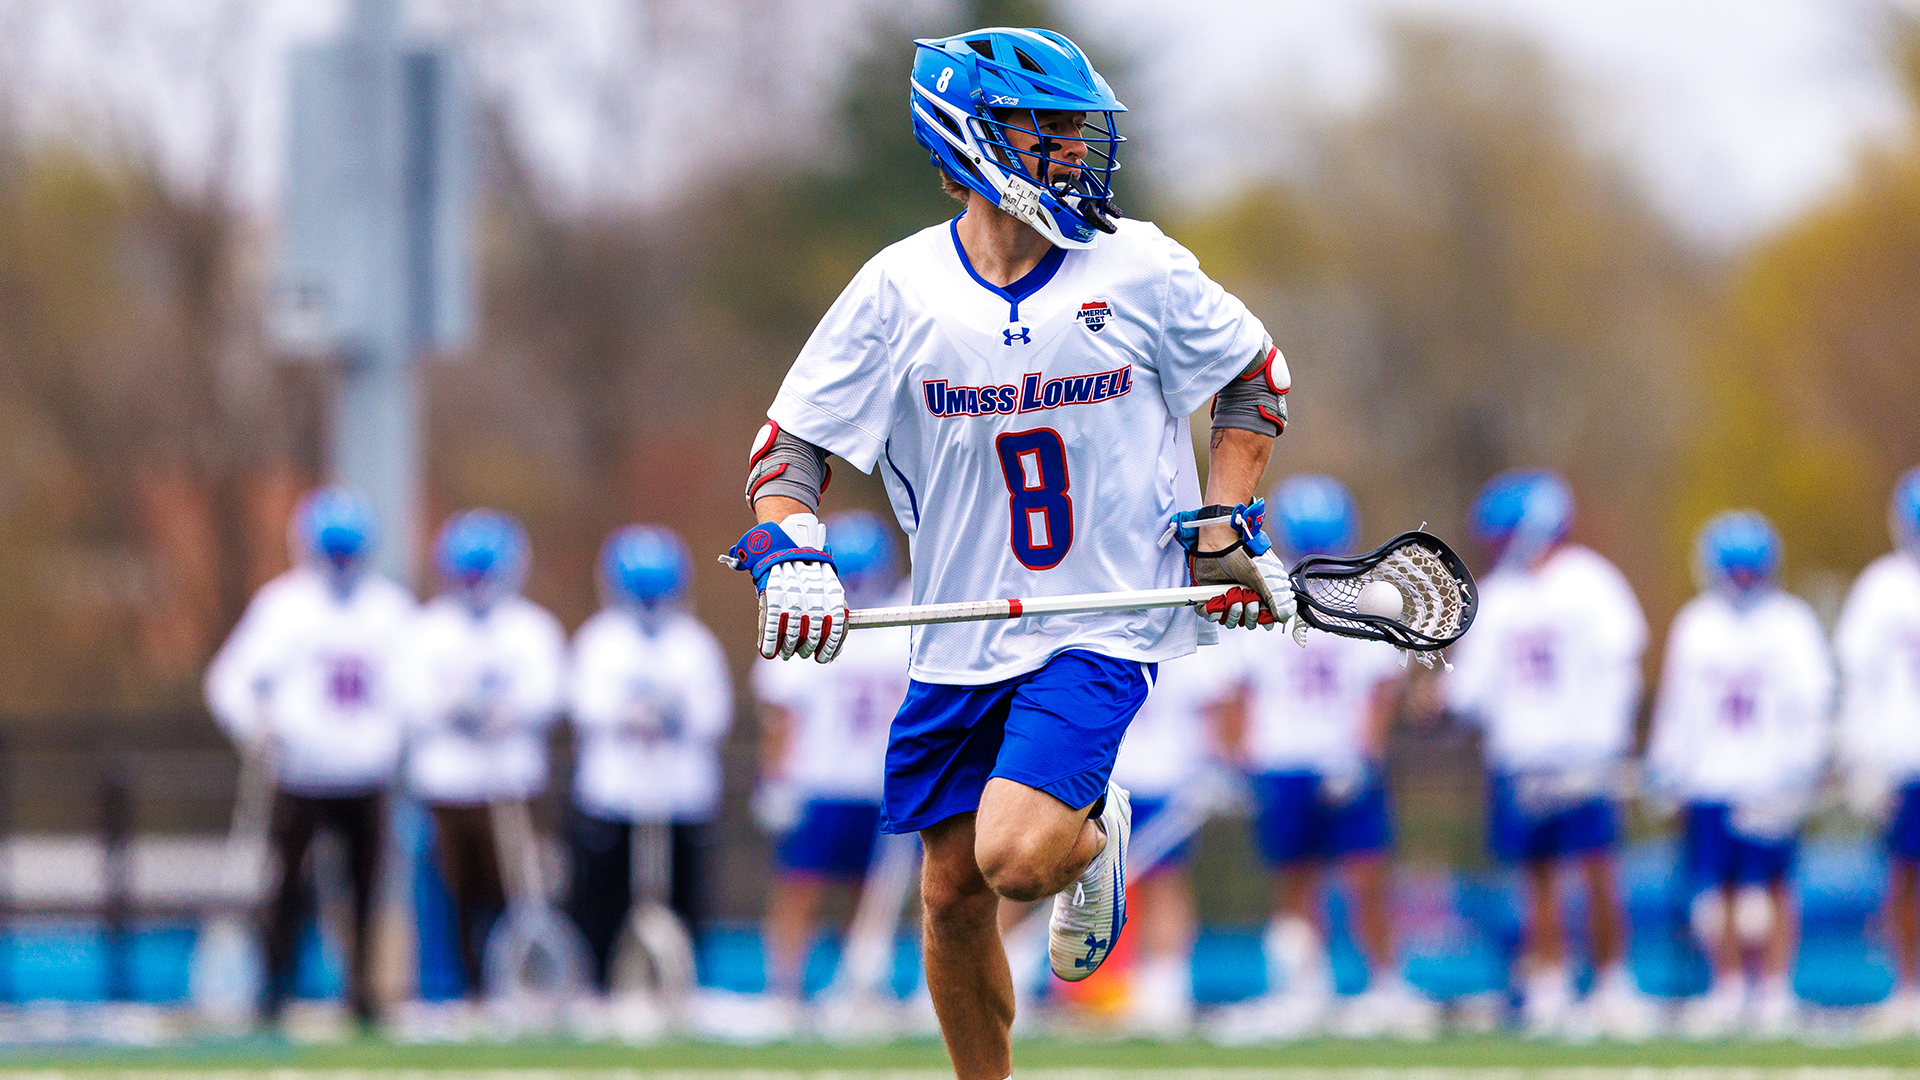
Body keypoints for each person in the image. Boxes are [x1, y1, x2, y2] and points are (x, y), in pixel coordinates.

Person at [722, 27, 1296, 1079]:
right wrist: (796, 550)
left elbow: (1255, 375)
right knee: (948, 897)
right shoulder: (899, 289)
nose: (1078, 156)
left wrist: (1223, 522)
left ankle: (1088, 833)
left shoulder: (1142, 267)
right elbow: (789, 448)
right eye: (1049, 134)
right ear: (971, 142)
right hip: (958, 625)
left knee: (1016, 858)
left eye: (1082, 135)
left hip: (1102, 619)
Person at [1207, 475, 1433, 1043]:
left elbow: (1381, 689)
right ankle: (1301, 989)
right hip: (1282, 761)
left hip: (1341, 762)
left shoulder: (1364, 598)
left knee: (1366, 877)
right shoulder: (1261, 596)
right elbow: (1237, 689)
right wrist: (1236, 762)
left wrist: (1362, 754)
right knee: (1292, 883)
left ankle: (1384, 985)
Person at [1442, 470, 1654, 1038]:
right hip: (1522, 757)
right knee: (1536, 877)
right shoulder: (1503, 595)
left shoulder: (1588, 581)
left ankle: (1611, 983)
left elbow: (1621, 666)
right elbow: (1470, 694)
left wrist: (1607, 747)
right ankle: (1551, 985)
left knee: (1597, 871)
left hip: (1581, 754)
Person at [203, 486, 415, 1028]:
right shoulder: (283, 606)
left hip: (365, 776)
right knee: (285, 887)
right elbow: (229, 681)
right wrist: (256, 728)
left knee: (367, 891)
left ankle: (366, 993)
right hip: (299, 775)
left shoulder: (389, 609)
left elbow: (415, 689)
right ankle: (273, 989)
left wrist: (393, 739)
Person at [1649, 511, 1834, 1038]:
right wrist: (1670, 769)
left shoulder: (1790, 622)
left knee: (1774, 887)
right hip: (1710, 776)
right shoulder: (1697, 623)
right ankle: (1727, 988)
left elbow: (1814, 702)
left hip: (1771, 776)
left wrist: (1804, 769)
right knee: (1718, 891)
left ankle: (1775, 989)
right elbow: (1677, 705)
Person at [396, 510, 566, 1004]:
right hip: (447, 787)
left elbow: (551, 694)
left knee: (515, 891)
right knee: (450, 896)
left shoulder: (531, 628)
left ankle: (513, 987)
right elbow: (407, 698)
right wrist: (451, 710)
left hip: (512, 785)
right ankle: (448, 991)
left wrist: (509, 713)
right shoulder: (427, 629)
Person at [753, 510, 912, 1016]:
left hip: (878, 784)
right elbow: (782, 716)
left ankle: (855, 986)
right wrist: (776, 779)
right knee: (802, 885)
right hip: (821, 779)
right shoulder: (810, 619)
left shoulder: (902, 623)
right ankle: (784, 987)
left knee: (869, 892)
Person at [567, 525, 733, 991]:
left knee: (685, 902)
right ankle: (600, 988)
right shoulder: (600, 639)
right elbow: (585, 707)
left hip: (680, 795)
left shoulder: (693, 644)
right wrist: (630, 716)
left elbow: (713, 716)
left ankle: (677, 989)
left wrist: (670, 717)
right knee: (601, 903)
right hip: (613, 794)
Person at [1106, 648, 1235, 1039]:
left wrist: (1217, 764)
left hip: (1164, 777)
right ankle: (1016, 972)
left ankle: (1164, 988)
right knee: (1064, 877)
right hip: (1106, 777)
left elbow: (1215, 702)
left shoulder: (1184, 634)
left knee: (1166, 884)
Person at [1837, 466, 1920, 1038]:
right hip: (1902, 755)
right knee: (1904, 875)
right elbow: (1856, 677)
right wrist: (1859, 755)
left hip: (1899, 750)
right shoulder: (1881, 588)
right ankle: (1910, 986)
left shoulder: (1881, 586)